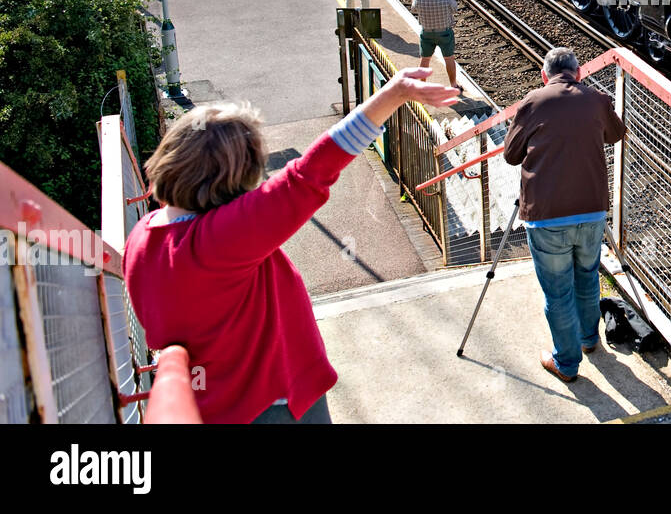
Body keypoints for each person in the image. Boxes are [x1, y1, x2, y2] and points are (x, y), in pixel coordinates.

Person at [124, 69, 460, 423]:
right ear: (234, 178)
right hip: (272, 406)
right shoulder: (219, 240)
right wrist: (393, 95)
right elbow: (309, 174)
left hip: (211, 406)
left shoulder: (143, 236)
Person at [504, 48, 626, 383]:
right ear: (579, 73)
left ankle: (566, 362)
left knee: (558, 292)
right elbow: (616, 134)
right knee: (587, 276)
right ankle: (589, 340)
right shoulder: (596, 99)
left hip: (546, 215)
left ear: (545, 76)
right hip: (592, 210)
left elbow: (511, 155)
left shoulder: (532, 102)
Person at [411, 0, 458, 86]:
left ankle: (422, 85)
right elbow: (455, 9)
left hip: (426, 33)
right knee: (449, 58)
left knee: (425, 59)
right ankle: (453, 84)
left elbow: (413, 9)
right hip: (445, 33)